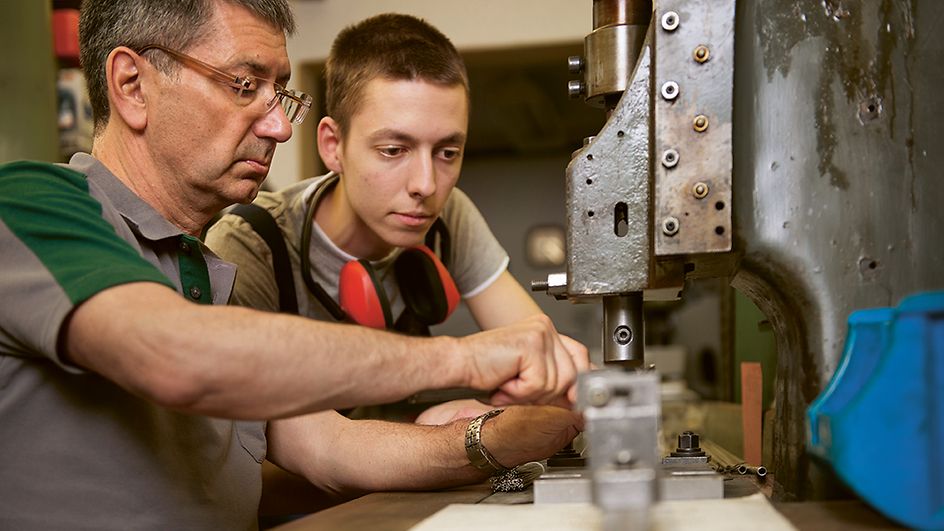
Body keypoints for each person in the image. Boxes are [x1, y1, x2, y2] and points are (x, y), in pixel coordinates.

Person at [0, 1, 586, 529]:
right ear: (132, 85)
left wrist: (500, 436)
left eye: (279, 92)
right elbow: (181, 359)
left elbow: (333, 448)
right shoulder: (32, 203)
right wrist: (465, 357)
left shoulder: (203, 274)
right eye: (243, 84)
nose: (279, 126)